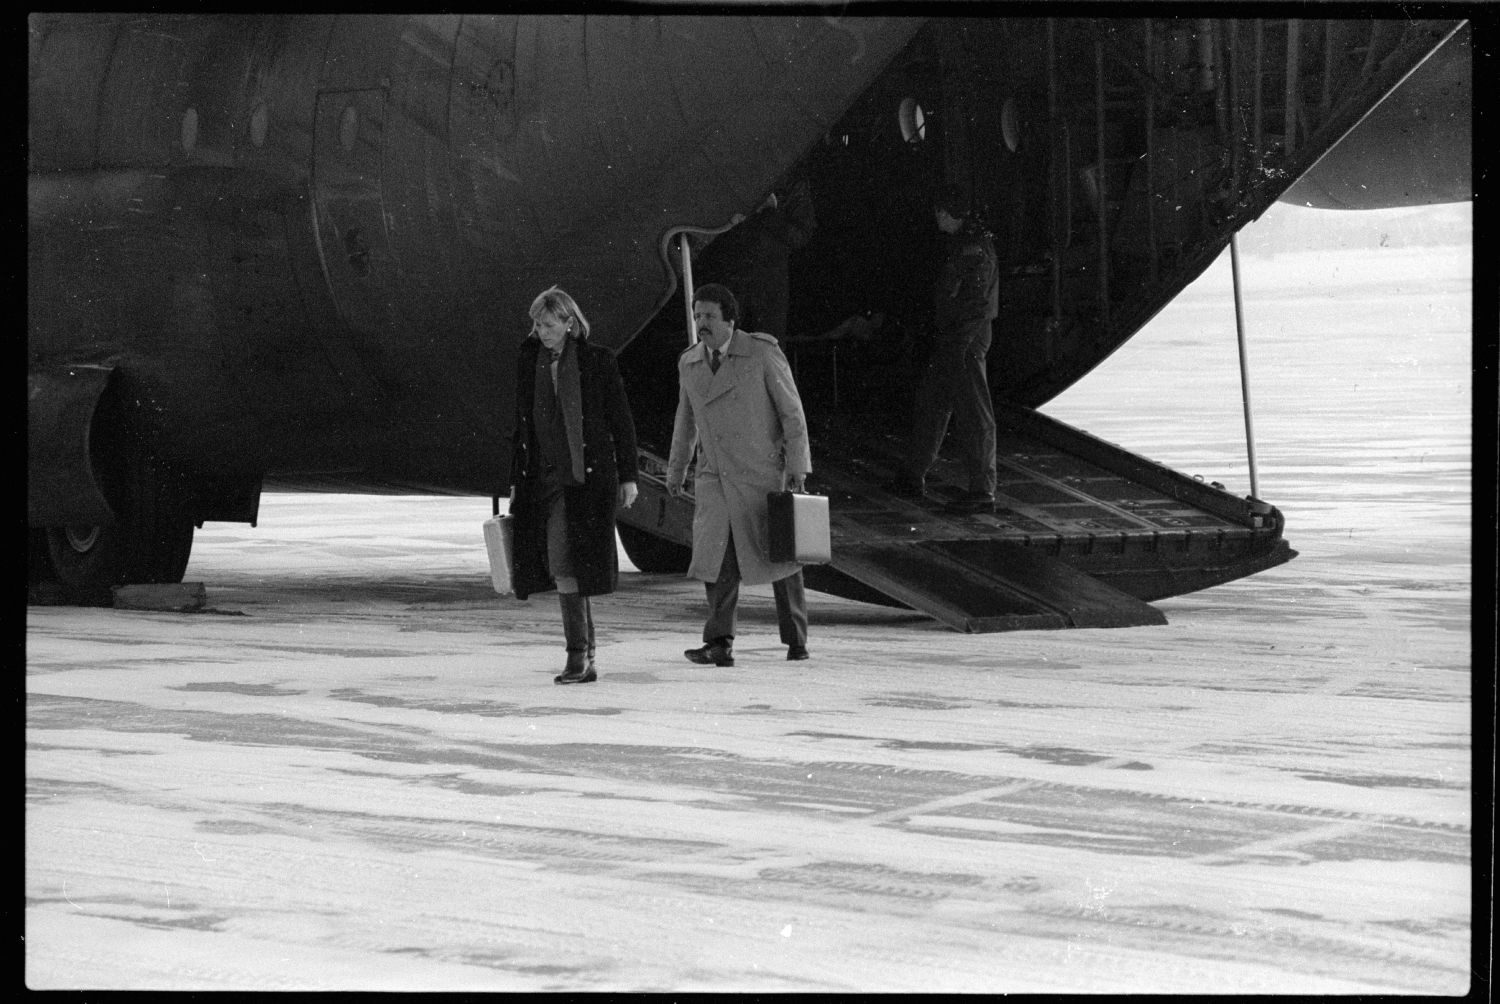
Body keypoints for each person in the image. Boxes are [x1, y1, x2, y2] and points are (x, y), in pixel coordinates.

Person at [665, 283, 813, 665]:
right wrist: (676, 470)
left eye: (710, 316)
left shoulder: (762, 353)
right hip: (714, 478)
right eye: (698, 316)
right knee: (717, 562)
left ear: (731, 320)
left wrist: (797, 467)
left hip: (761, 475)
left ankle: (796, 640)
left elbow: (791, 413)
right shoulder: (690, 362)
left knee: (782, 560)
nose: (702, 324)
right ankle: (719, 643)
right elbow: (685, 422)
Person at [508, 286, 640, 685]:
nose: (540, 331)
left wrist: (629, 476)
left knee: (565, 562)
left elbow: (621, 421)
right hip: (541, 480)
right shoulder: (529, 358)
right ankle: (584, 655)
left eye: (548, 324)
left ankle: (577, 655)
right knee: (561, 564)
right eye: (536, 324)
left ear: (569, 323)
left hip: (582, 480)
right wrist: (515, 479)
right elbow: (522, 424)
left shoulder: (597, 361)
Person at [883, 183, 1001, 512]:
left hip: (964, 339)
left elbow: (976, 304)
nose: (937, 218)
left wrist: (959, 344)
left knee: (972, 413)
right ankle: (914, 474)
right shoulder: (967, 244)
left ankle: (982, 490)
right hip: (955, 338)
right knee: (933, 404)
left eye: (941, 212)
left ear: (951, 213)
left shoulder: (974, 249)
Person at [693, 175, 816, 341]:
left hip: (770, 281)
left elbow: (801, 234)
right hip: (730, 275)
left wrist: (768, 213)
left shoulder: (792, 180)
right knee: (721, 345)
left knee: (768, 347)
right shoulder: (736, 168)